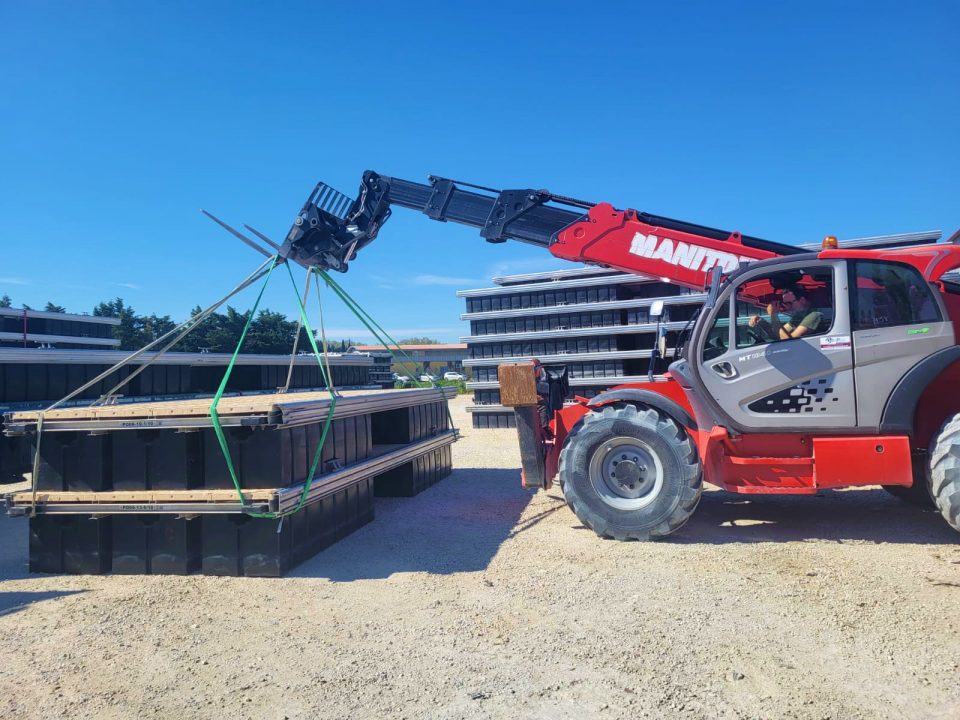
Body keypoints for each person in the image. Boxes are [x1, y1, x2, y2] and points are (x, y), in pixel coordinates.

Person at [748, 284, 824, 340]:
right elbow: (777, 335)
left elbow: (787, 341)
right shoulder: (799, 316)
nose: (788, 308)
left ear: (802, 300)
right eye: (785, 304)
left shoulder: (814, 315)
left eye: (789, 303)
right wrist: (762, 322)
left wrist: (774, 315)